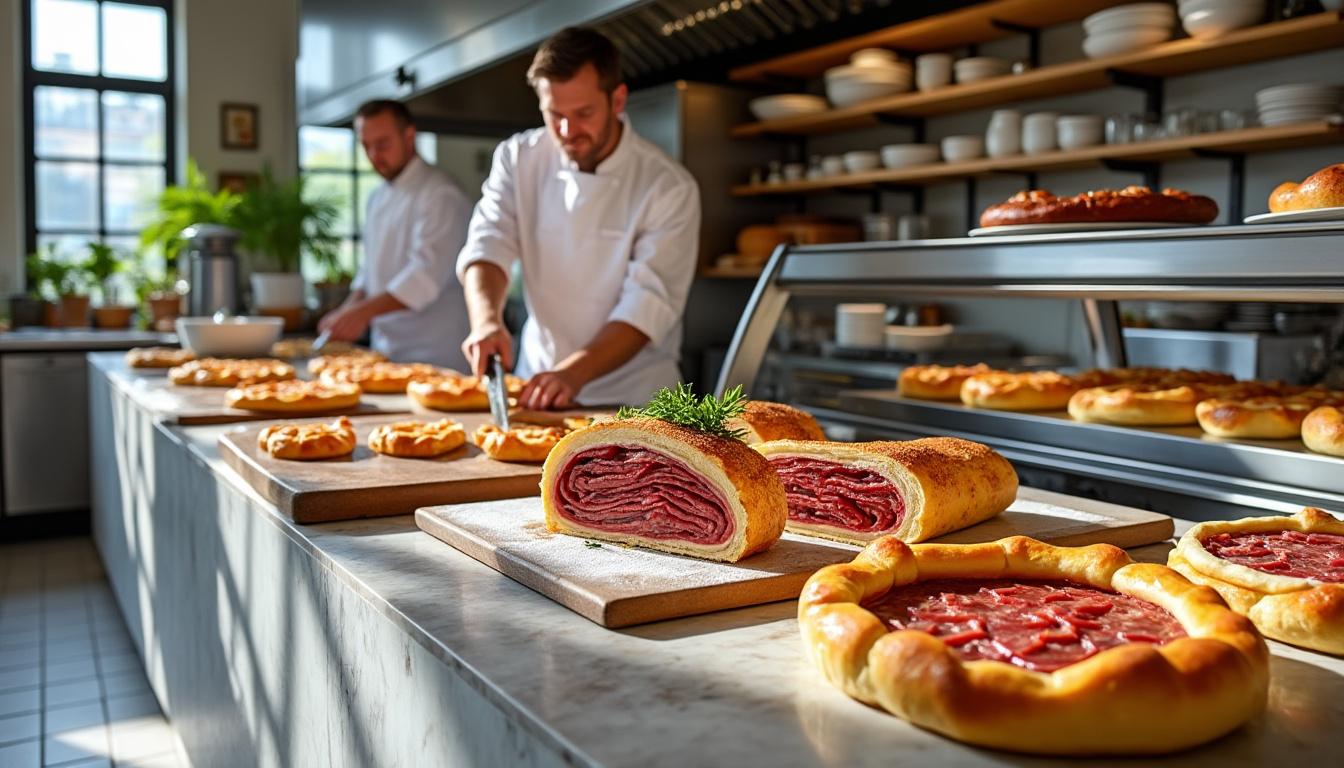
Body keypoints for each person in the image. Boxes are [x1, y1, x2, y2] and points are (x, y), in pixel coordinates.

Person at [456, 27, 700, 409]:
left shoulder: (668, 186)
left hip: (635, 400)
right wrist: (487, 320)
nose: (568, 131)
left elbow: (648, 303)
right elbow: (488, 243)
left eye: (584, 113)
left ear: (617, 100)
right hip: (538, 384)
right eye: (555, 115)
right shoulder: (518, 158)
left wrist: (573, 373)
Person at [318, 100, 472, 370]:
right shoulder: (377, 198)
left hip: (436, 353)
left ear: (409, 136)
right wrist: (346, 312)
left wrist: (362, 313)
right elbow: (370, 272)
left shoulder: (442, 195)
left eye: (383, 144)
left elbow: (423, 277)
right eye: (366, 146)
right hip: (385, 352)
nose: (374, 155)